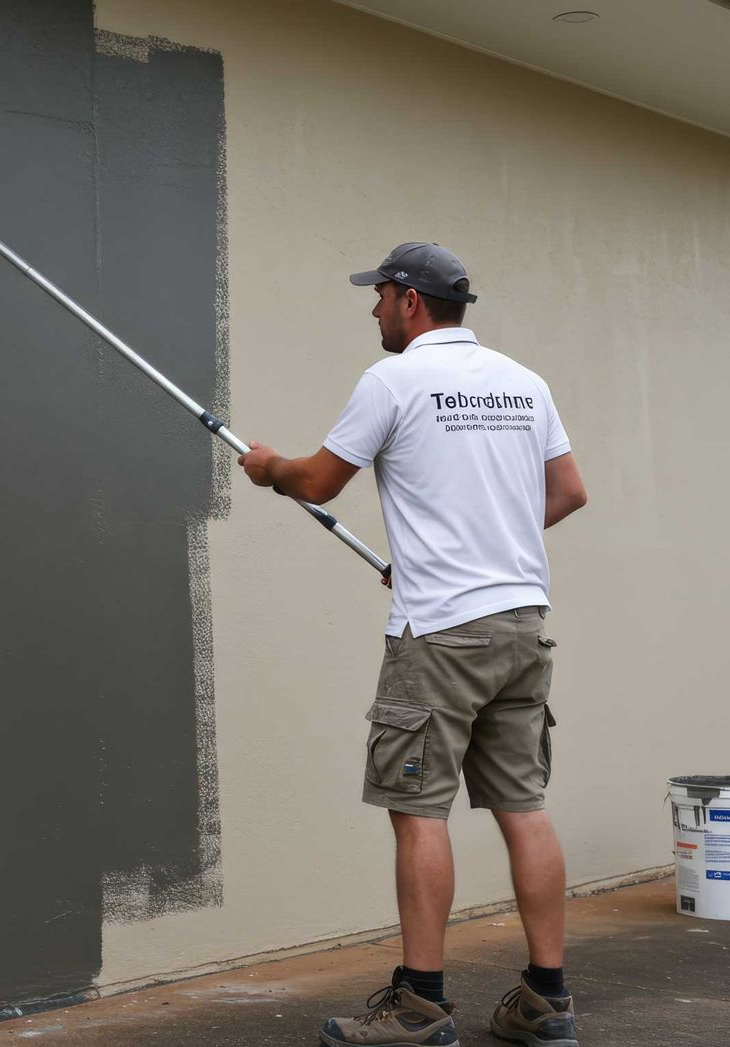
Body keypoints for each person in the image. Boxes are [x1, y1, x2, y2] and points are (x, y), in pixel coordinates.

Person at [237, 243, 589, 1047]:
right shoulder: (523, 381)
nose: (374, 310)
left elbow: (319, 481)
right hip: (522, 623)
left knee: (417, 810)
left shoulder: (393, 380)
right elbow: (568, 492)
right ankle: (549, 1001)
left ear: (411, 302)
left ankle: (421, 1008)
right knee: (524, 807)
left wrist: (267, 468)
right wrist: (480, 545)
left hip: (438, 635)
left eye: (381, 294)